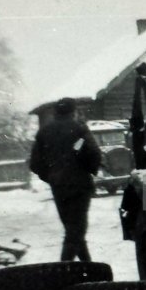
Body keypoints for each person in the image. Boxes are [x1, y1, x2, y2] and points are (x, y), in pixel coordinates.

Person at [30, 97, 101, 261]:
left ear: (56, 112)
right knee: (75, 232)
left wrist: (51, 176)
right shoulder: (79, 130)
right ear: (73, 112)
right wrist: (88, 170)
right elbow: (93, 153)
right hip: (80, 186)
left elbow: (35, 164)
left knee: (73, 231)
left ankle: (88, 268)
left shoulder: (44, 132)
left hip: (59, 187)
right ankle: (63, 269)